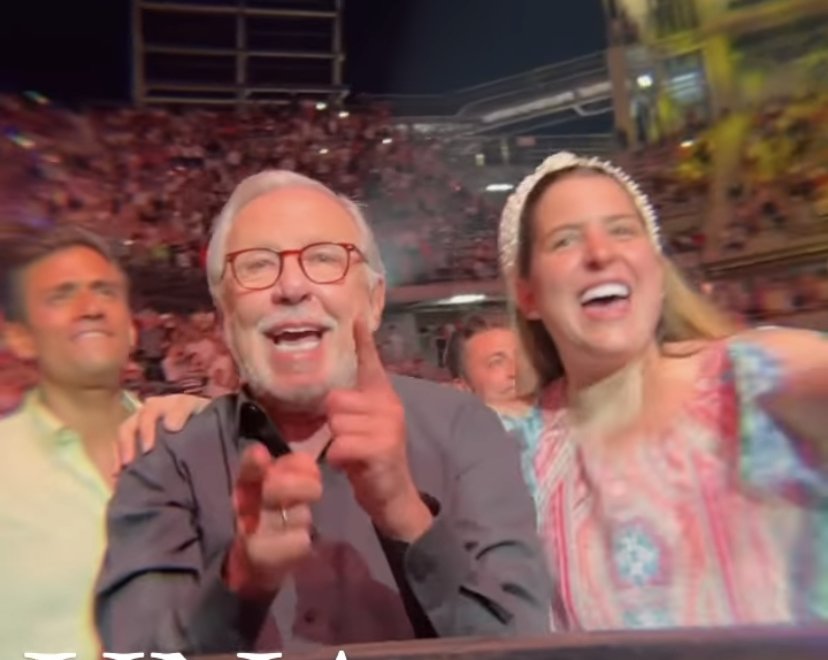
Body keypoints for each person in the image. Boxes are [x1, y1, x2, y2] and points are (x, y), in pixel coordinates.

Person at [95, 171, 550, 653]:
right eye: (257, 265)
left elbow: (522, 647)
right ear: (224, 318)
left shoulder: (463, 430)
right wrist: (238, 583)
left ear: (374, 301)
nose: (292, 286)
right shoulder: (166, 460)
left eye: (324, 259)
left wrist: (406, 516)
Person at [497, 151, 828, 630]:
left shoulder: (753, 377)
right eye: (565, 240)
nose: (600, 253)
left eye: (622, 230)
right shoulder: (515, 448)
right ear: (528, 295)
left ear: (656, 268)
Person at [0, 227, 209, 659]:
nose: (91, 308)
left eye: (105, 292)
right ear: (20, 337)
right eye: (61, 295)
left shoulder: (193, 445)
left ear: (131, 329)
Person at [445, 317, 541, 492]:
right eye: (496, 362)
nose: (516, 369)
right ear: (463, 387)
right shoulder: (465, 450)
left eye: (522, 356)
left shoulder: (569, 415)